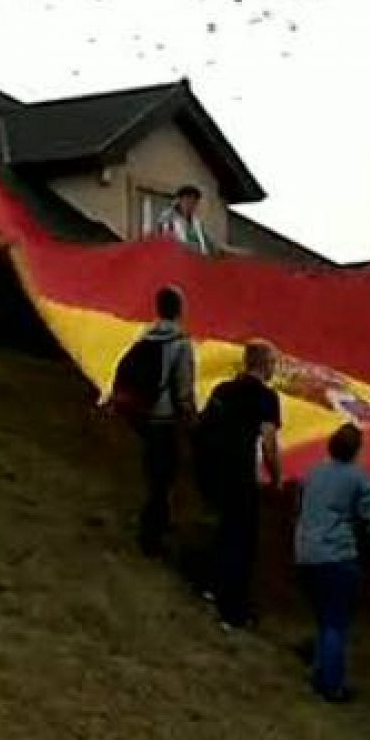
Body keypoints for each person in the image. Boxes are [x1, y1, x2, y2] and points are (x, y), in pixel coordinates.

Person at [295, 423, 370, 703]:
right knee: (335, 622)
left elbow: (300, 505)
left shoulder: (313, 473)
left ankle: (320, 673)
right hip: (336, 555)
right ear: (357, 450)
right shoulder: (361, 480)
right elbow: (369, 520)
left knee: (325, 620)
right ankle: (331, 685)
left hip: (305, 554)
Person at [196, 339, 283, 630]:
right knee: (242, 540)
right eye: (273, 363)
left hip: (214, 469)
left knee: (223, 529)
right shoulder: (266, 398)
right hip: (240, 473)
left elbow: (204, 426)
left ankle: (209, 585)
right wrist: (277, 478)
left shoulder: (223, 390)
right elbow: (269, 442)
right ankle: (233, 610)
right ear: (264, 365)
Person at [130, 286, 198, 557]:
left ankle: (153, 527)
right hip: (166, 418)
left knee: (153, 474)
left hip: (144, 413)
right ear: (180, 309)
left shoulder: (146, 335)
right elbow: (183, 389)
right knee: (164, 478)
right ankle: (152, 536)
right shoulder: (181, 343)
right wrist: (191, 418)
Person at [142, 185, 212, 254]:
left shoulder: (197, 222)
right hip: (175, 260)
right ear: (179, 200)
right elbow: (164, 243)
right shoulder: (167, 218)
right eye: (187, 201)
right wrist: (189, 247)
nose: (191, 205)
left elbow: (204, 242)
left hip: (195, 261)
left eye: (194, 203)